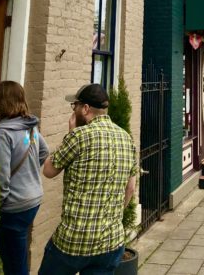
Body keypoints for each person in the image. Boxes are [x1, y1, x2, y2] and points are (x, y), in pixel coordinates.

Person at [39, 83, 137, 275]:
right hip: (111, 242)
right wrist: (112, 217)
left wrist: (71, 133)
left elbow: (49, 170)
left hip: (74, 241)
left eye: (74, 106)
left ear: (85, 109)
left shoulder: (79, 136)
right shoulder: (126, 138)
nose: (73, 110)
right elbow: (131, 188)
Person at [0, 81, 49, 275]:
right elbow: (44, 151)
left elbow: (1, 178)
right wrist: (31, 171)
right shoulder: (29, 127)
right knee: (18, 254)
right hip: (33, 200)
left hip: (13, 207)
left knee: (14, 265)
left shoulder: (3, 133)